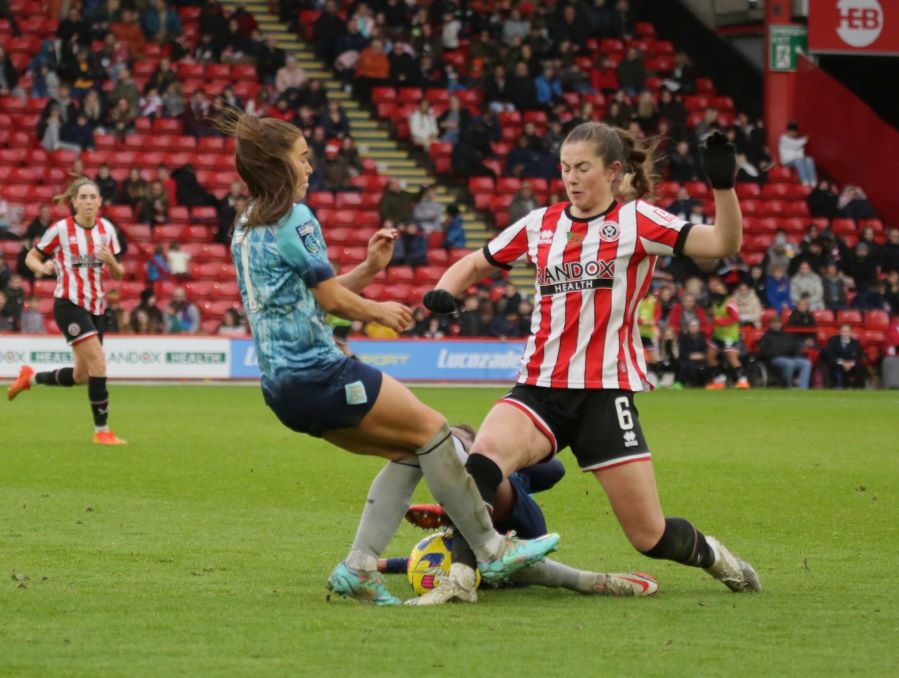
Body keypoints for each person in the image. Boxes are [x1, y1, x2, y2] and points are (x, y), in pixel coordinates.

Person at [218, 112, 559, 605]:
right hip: (323, 374)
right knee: (436, 431)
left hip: (282, 391)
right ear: (278, 164)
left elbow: (312, 297)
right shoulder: (296, 216)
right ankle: (490, 547)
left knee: (411, 449)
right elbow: (333, 303)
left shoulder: (247, 225)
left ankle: (359, 567)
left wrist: (370, 269)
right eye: (303, 157)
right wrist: (377, 307)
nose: (310, 167)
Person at [420, 123, 760, 603]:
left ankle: (713, 555)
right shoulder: (542, 223)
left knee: (650, 537)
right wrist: (445, 290)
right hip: (540, 388)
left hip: (605, 395)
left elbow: (723, 244)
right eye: (565, 168)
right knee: (481, 461)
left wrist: (723, 186)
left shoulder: (639, 222)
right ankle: (459, 580)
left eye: (582, 168)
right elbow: (477, 261)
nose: (571, 178)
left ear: (614, 171)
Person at [385, 425, 657, 599]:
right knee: (468, 530)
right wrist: (381, 564)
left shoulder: (501, 473)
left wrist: (508, 459)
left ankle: (470, 517)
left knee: (482, 486)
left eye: (459, 445)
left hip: (523, 525)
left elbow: (554, 470)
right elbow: (434, 555)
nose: (452, 453)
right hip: (508, 559)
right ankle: (592, 581)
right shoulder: (453, 491)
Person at [7, 178, 126, 445]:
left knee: (82, 376)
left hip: (97, 307)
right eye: (82, 197)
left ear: (99, 202)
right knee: (99, 362)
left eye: (91, 197)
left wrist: (111, 262)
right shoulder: (60, 230)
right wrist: (41, 268)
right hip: (69, 304)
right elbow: (32, 257)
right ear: (73, 202)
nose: (87, 202)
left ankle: (30, 378)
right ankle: (102, 431)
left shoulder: (106, 229)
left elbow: (119, 273)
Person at [758, 315, 811, 389]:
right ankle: (787, 385)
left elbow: (795, 346)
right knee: (789, 363)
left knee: (806, 363)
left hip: (790, 358)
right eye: (774, 323)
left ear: (781, 324)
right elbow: (764, 351)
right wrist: (778, 354)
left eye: (778, 323)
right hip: (775, 359)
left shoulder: (787, 335)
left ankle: (803, 388)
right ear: (770, 325)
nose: (776, 325)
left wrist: (797, 354)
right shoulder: (766, 337)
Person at [823, 324, 865, 389]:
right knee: (831, 365)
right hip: (837, 364)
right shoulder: (833, 341)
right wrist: (842, 363)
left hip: (851, 365)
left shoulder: (855, 343)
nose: (846, 334)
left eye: (847, 331)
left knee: (860, 367)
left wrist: (851, 364)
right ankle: (837, 385)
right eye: (843, 331)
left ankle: (857, 388)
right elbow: (830, 354)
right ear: (840, 332)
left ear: (851, 332)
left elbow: (858, 356)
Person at [778, 121, 816, 187]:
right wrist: (804, 139)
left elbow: (800, 154)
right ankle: (804, 182)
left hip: (797, 161)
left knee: (809, 159)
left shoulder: (797, 141)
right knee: (799, 161)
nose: (793, 133)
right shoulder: (783, 138)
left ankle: (813, 182)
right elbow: (795, 145)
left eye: (794, 132)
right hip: (787, 162)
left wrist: (802, 141)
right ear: (787, 131)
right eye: (791, 131)